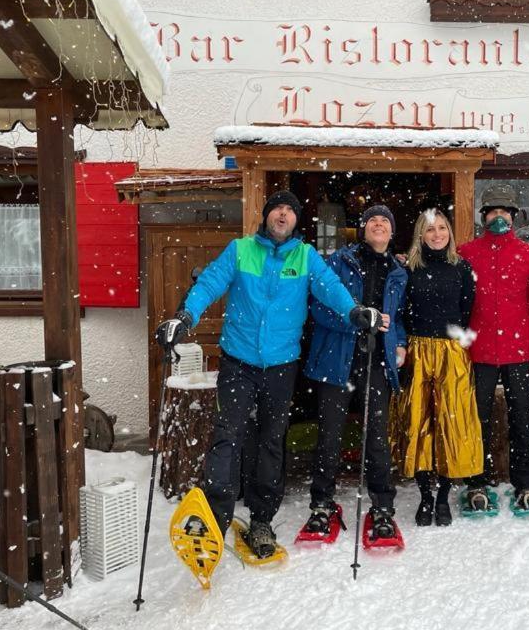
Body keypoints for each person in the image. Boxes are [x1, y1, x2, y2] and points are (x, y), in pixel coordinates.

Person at [154, 190, 376, 559]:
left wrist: (355, 312)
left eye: (290, 210)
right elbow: (208, 284)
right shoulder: (240, 250)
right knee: (228, 437)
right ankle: (214, 518)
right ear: (267, 215)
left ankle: (261, 520)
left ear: (296, 220)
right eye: (278, 209)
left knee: (272, 441)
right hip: (238, 363)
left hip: (281, 366)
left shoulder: (305, 257)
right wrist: (185, 316)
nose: (283, 215)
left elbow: (332, 290)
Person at [302, 205, 408, 540]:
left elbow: (399, 316)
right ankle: (322, 503)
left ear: (391, 233)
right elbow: (318, 307)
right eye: (372, 220)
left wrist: (400, 343)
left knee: (376, 435)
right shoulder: (338, 262)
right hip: (338, 357)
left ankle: (382, 506)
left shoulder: (398, 271)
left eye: (385, 221)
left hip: (377, 360)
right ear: (362, 230)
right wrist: (354, 320)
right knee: (329, 435)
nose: (378, 224)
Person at [458, 185, 529, 512]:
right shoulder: (466, 253)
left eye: (505, 211)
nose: (499, 216)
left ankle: (525, 482)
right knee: (476, 419)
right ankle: (477, 482)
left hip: (520, 351)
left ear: (514, 216)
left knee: (524, 418)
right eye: (493, 211)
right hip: (478, 351)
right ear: (484, 216)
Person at [391, 208, 482, 527]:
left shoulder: (461, 268)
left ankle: (443, 496)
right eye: (430, 230)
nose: (437, 234)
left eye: (442, 228)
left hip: (451, 354)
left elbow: (467, 310)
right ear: (421, 235)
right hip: (417, 351)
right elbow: (399, 312)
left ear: (449, 234)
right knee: (419, 422)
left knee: (450, 423)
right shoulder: (407, 269)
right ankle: (425, 496)